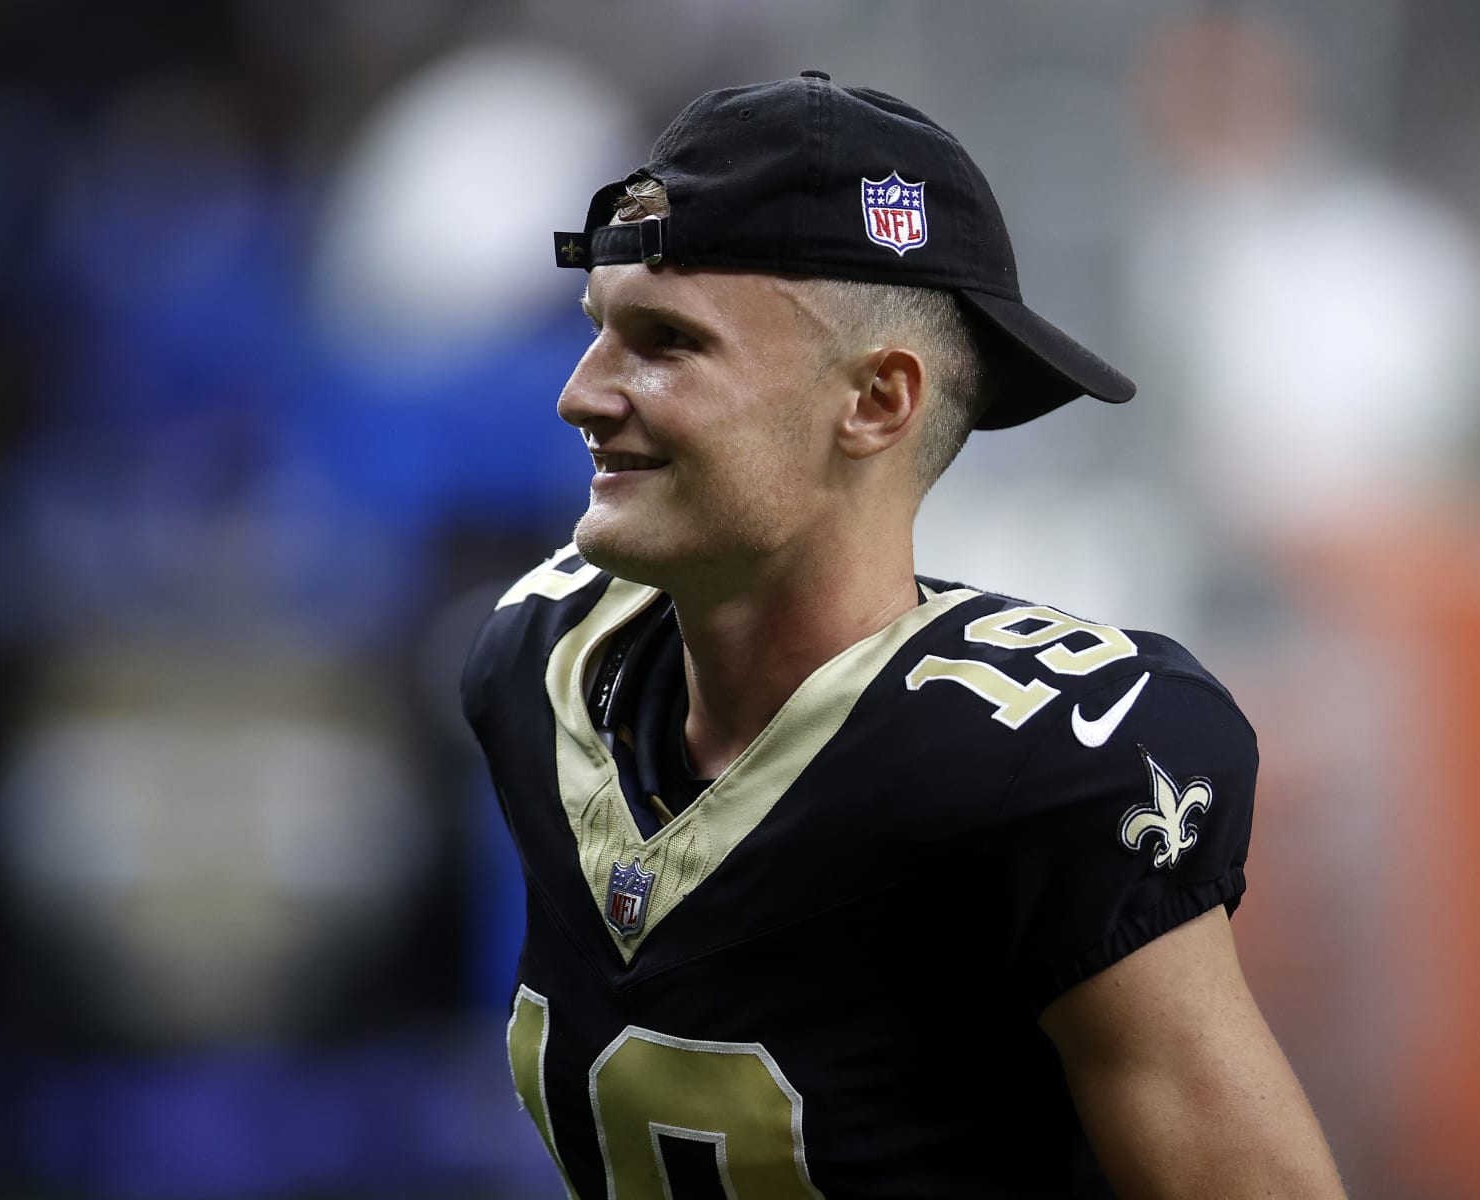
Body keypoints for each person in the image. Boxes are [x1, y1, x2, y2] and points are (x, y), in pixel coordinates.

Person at [461, 71, 1344, 1198]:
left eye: (666, 341)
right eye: (599, 331)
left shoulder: (1040, 769)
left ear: (877, 402)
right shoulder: (539, 661)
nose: (581, 394)